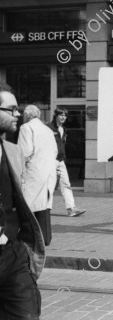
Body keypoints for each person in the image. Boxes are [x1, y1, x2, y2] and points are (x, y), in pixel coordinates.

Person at [0, 84, 45, 319]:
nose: (18, 113)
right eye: (12, 109)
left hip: (13, 252)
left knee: (27, 314)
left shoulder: (13, 151)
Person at [18, 105, 58, 246]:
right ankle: (45, 237)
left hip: (34, 171)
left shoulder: (26, 128)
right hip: (49, 171)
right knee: (44, 205)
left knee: (28, 204)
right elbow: (55, 151)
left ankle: (29, 237)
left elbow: (25, 151)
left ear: (26, 116)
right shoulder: (47, 129)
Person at [47, 107, 86, 217]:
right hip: (51, 160)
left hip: (61, 160)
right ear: (56, 116)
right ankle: (44, 209)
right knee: (48, 185)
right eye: (61, 115)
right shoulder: (48, 128)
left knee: (66, 184)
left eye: (65, 115)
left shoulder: (63, 129)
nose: (63, 117)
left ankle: (71, 209)